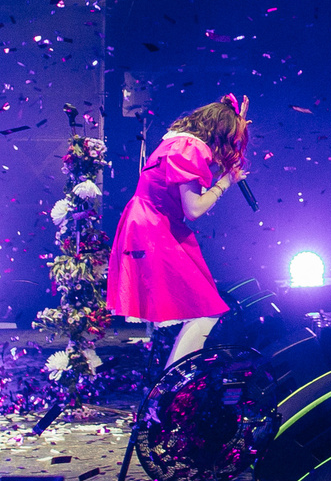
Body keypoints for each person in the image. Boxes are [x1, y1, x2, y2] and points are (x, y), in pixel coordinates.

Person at [106, 94, 249, 364]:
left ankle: (172, 382)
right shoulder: (190, 150)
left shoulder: (177, 142)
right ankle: (174, 386)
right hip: (154, 228)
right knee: (205, 308)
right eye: (230, 135)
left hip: (152, 223)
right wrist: (225, 183)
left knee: (202, 307)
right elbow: (193, 209)